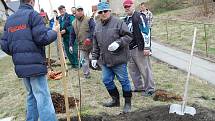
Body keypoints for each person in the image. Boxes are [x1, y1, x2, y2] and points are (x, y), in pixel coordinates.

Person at [0, 0, 58, 120]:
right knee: (43, 97)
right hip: (35, 65)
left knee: (31, 95)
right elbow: (42, 38)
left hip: (21, 66)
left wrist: (18, 53)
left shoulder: (10, 20)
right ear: (32, 1)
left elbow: (4, 45)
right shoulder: (33, 15)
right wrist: (54, 32)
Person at [91, 2, 132, 113]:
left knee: (124, 81)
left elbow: (128, 36)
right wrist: (94, 57)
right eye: (100, 12)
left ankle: (128, 103)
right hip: (105, 60)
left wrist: (119, 43)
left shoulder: (118, 22)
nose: (103, 13)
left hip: (118, 59)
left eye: (105, 11)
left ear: (109, 11)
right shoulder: (97, 25)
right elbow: (95, 43)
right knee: (106, 80)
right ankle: (115, 100)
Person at [123, 0, 155, 96]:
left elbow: (146, 31)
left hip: (139, 47)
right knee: (133, 69)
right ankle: (139, 87)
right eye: (125, 6)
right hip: (129, 48)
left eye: (129, 6)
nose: (127, 8)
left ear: (133, 6)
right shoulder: (126, 19)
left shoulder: (140, 16)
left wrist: (147, 47)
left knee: (145, 68)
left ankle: (150, 88)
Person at [70, 6, 95, 78]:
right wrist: (71, 45)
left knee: (97, 59)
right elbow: (72, 34)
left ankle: (104, 71)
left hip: (93, 44)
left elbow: (94, 30)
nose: (80, 12)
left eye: (81, 10)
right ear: (76, 12)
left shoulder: (89, 19)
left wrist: (89, 38)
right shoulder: (73, 23)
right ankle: (86, 74)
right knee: (84, 61)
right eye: (78, 10)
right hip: (82, 45)